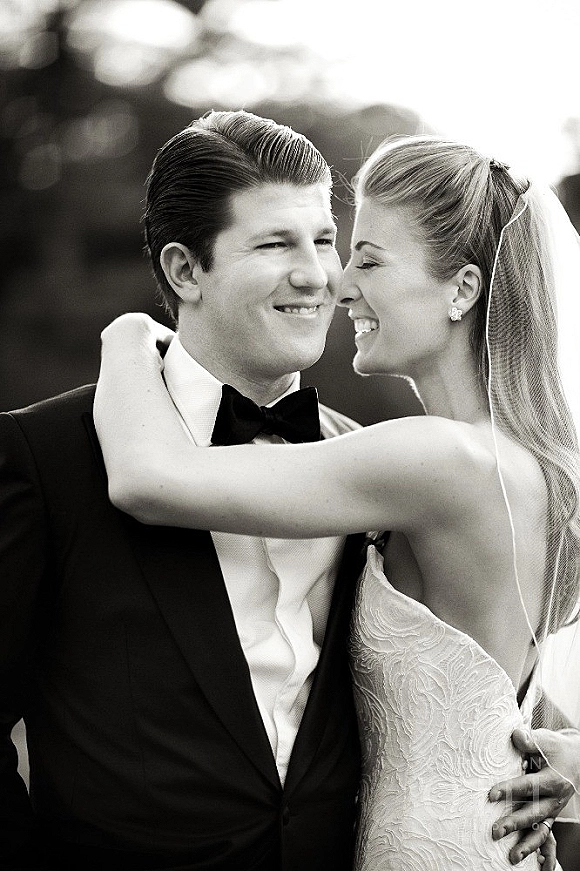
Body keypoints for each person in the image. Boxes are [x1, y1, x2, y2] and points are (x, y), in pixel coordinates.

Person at [93, 130, 580, 870]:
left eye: (368, 259)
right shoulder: (518, 460)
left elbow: (148, 480)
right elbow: (483, 680)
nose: (337, 283)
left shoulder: (437, 457)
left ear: (462, 290)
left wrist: (128, 336)